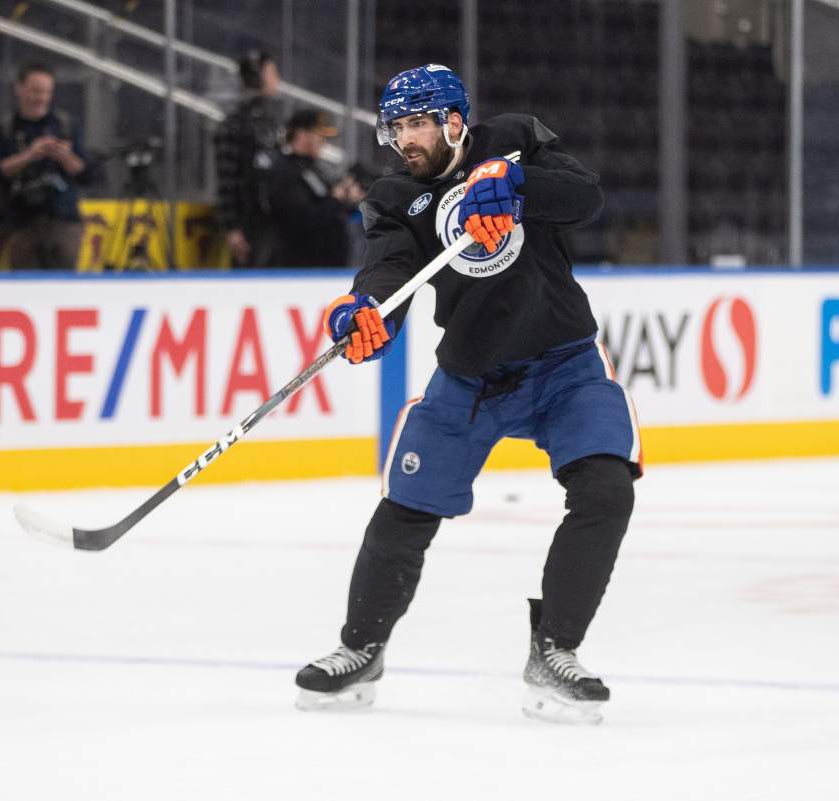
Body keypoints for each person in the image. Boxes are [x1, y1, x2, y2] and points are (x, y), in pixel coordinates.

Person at [295, 64, 642, 725]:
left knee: (606, 488)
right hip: (471, 378)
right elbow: (388, 270)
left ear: (455, 118)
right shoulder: (396, 194)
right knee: (406, 508)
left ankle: (555, 649)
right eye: (397, 128)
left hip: (565, 363)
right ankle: (360, 646)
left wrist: (517, 184)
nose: (407, 140)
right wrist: (363, 311)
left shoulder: (513, 139)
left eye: (418, 124)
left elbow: (584, 196)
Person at [0, 62, 89, 270]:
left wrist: (64, 156)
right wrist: (28, 156)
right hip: (21, 222)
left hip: (63, 218)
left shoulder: (66, 125)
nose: (41, 98)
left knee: (64, 287)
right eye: (36, 91)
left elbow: (88, 174)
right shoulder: (5, 128)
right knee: (26, 287)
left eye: (47, 92)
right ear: (19, 89)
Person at [266, 109, 364, 268]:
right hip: (302, 267)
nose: (323, 142)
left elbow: (327, 205)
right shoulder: (284, 171)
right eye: (319, 135)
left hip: (326, 265)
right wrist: (336, 199)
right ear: (302, 134)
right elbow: (301, 219)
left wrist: (347, 199)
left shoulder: (314, 168)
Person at [213, 49, 282, 267]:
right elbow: (227, 178)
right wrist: (232, 227)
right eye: (272, 72)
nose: (276, 79)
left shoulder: (268, 120)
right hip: (249, 221)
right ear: (258, 76)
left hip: (271, 218)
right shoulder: (236, 124)